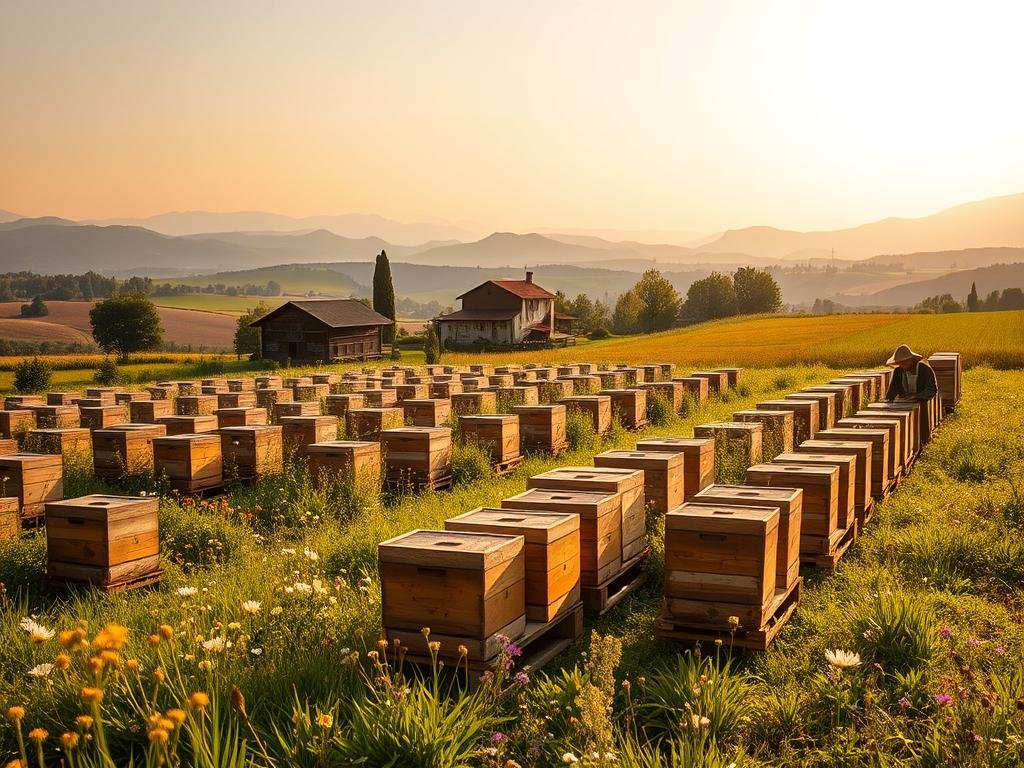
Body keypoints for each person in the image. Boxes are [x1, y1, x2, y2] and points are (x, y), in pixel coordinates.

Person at [884, 344, 937, 443]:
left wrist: (916, 396)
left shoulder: (924, 369)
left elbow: (932, 389)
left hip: (920, 403)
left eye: (904, 362)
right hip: (903, 404)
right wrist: (888, 403)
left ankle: (923, 444)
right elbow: (893, 389)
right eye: (900, 362)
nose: (902, 364)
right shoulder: (898, 371)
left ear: (911, 359)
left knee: (921, 432)